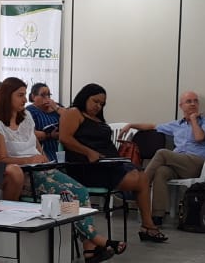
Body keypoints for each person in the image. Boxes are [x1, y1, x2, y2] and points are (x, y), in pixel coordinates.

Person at [0, 77, 119, 263]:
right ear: (7, 96)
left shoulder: (26, 117)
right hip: (23, 175)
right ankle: (94, 241)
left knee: (81, 191)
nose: (24, 99)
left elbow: (36, 146)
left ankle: (89, 246)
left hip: (41, 169)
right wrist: (29, 160)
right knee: (68, 196)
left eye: (24, 95)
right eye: (20, 95)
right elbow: (1, 160)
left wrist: (45, 161)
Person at [59, 83, 165, 242]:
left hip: (108, 163)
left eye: (102, 104)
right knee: (139, 179)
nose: (98, 106)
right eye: (95, 101)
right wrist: (88, 152)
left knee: (143, 177)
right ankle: (148, 227)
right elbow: (65, 138)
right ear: (85, 97)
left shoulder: (97, 118)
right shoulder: (74, 112)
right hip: (87, 166)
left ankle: (147, 225)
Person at [122, 92, 205, 227]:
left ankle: (139, 184)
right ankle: (157, 216)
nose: (193, 104)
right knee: (161, 172)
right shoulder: (176, 125)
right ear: (181, 106)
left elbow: (199, 137)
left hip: (197, 164)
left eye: (195, 101)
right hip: (179, 164)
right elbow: (152, 126)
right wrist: (131, 125)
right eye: (189, 101)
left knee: (162, 153)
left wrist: (194, 120)